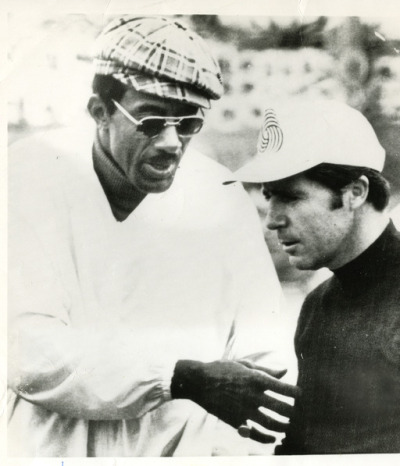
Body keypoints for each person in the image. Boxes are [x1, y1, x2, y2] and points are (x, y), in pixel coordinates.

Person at [8, 16, 298, 457]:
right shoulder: (31, 176)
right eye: (150, 122)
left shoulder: (217, 195)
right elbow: (30, 355)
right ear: (99, 111)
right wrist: (178, 377)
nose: (170, 143)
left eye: (188, 125)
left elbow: (261, 352)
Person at [226, 99, 400, 453]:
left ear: (355, 192)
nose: (272, 219)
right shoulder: (320, 302)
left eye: (290, 197)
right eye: (270, 198)